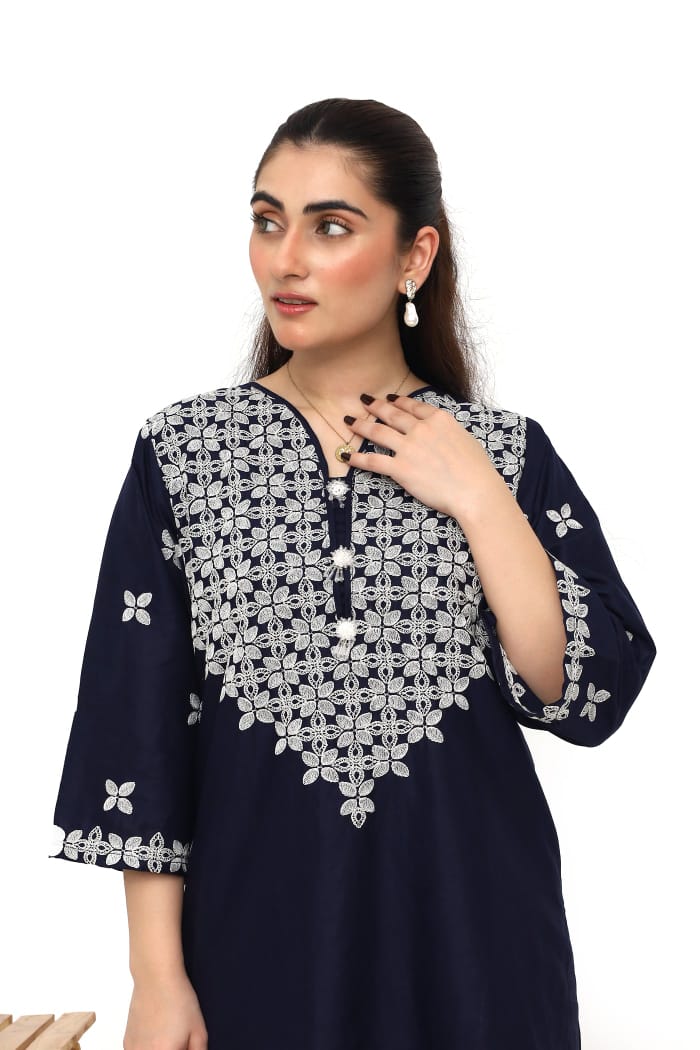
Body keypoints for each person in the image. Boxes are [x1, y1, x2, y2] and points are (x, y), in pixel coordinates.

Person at [49, 97, 656, 1050]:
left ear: (415, 256)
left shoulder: (503, 452)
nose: (285, 259)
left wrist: (480, 498)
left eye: (330, 227)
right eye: (267, 221)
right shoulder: (184, 455)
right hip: (257, 946)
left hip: (478, 947)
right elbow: (141, 730)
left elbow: (583, 693)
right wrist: (156, 979)